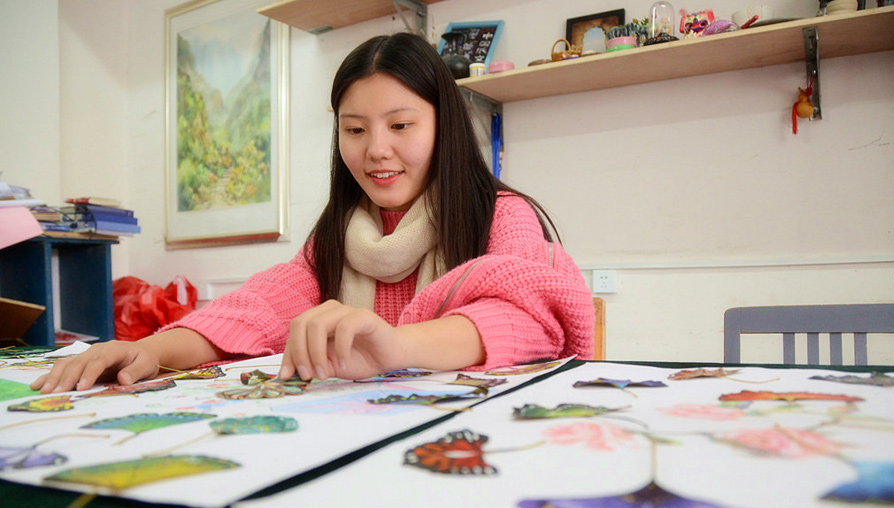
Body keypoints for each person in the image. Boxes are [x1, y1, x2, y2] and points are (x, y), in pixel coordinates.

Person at [33, 32, 594, 394]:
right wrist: (147, 350)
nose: (375, 149)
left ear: (443, 126)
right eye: (354, 129)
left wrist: (394, 348)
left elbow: (532, 323)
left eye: (401, 126)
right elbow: (254, 312)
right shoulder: (337, 236)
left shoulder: (500, 215)